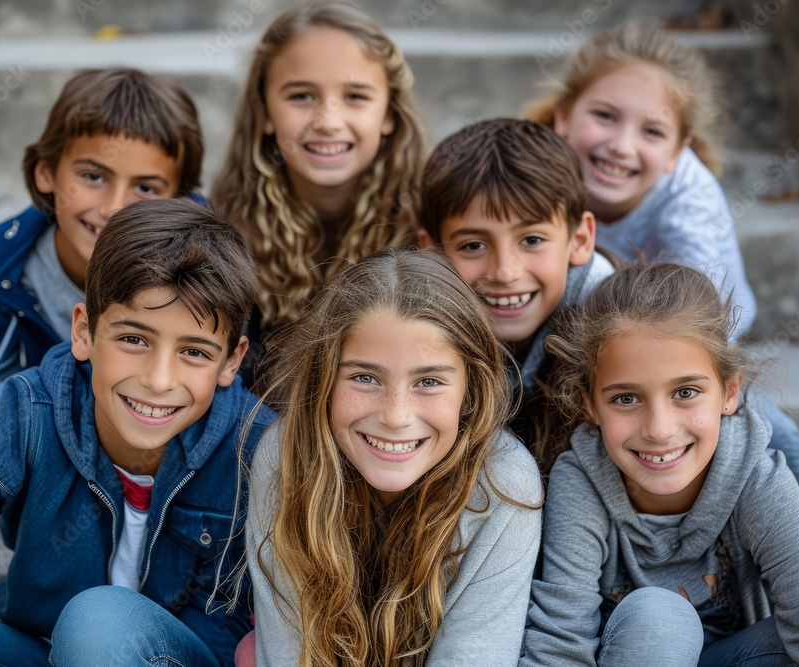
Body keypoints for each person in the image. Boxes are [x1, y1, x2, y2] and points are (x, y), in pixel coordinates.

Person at [0, 198, 275, 666]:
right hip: (41, 651)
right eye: (134, 339)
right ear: (83, 331)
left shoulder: (256, 450)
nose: (160, 381)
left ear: (232, 361)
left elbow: (246, 624)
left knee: (97, 623)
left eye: (195, 352)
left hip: (173, 659)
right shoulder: (32, 413)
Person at [0, 66, 206, 612]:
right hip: (43, 422)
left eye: (145, 188)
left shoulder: (196, 261)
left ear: (182, 198)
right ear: (47, 172)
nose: (115, 206)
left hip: (152, 421)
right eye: (93, 176)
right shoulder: (10, 264)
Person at [524, 24, 799, 526]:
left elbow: (698, 331)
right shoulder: (534, 170)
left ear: (678, 152)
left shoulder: (690, 202)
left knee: (759, 421)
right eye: (603, 116)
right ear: (562, 117)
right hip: (586, 312)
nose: (621, 145)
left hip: (695, 325)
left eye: (652, 132)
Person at [521, 263, 799, 666]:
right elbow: (561, 639)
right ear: (589, 406)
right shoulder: (579, 484)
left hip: (733, 656)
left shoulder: (758, 479)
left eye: (685, 392)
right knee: (660, 617)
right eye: (626, 398)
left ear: (729, 392)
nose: (660, 430)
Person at [244, 248, 542, 665]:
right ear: (324, 380)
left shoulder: (503, 483)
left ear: (470, 391)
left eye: (429, 381)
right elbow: (289, 656)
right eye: (365, 378)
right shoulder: (285, 458)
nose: (396, 416)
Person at [211, 2, 424, 386]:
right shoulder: (219, 236)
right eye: (301, 96)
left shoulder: (431, 231)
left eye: (355, 96)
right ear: (264, 112)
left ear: (389, 112)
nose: (327, 120)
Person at [418, 118, 614, 473]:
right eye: (473, 245)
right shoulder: (409, 319)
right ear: (431, 253)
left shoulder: (618, 330)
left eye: (532, 240)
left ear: (580, 240)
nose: (505, 272)